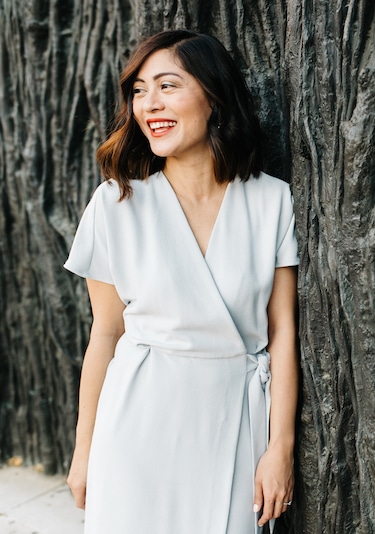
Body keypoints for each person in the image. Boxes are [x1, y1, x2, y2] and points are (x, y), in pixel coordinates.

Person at [64, 29, 298, 533]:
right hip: (136, 424)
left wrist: (280, 448)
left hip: (235, 422)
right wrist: (84, 450)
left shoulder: (273, 201)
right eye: (140, 90)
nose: (150, 103)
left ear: (213, 98)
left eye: (168, 85)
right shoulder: (115, 204)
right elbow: (105, 333)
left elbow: (282, 334)